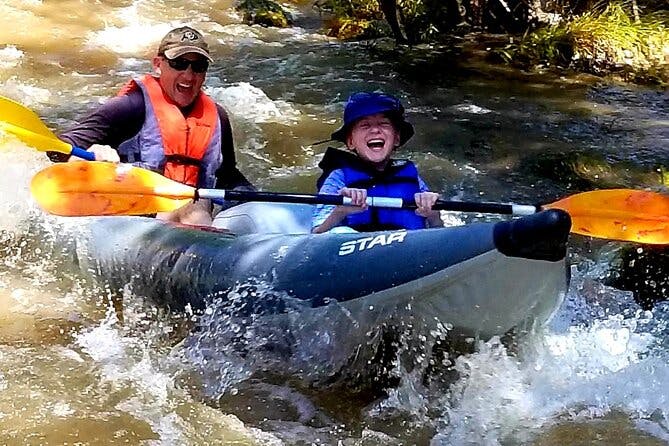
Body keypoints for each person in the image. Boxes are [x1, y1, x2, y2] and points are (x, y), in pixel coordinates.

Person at [47, 26, 254, 225]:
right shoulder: (130, 107)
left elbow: (226, 176)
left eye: (198, 67)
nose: (189, 76)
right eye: (179, 64)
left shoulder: (218, 117)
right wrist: (91, 154)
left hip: (193, 223)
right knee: (189, 208)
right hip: (134, 220)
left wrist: (253, 199)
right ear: (158, 64)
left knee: (195, 206)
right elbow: (57, 149)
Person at [312, 92, 443, 233]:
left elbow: (438, 232)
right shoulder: (338, 178)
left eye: (383, 123)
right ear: (350, 142)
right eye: (365, 125)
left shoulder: (412, 178)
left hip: (407, 248)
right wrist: (340, 211)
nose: (375, 130)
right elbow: (316, 234)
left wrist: (433, 215)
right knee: (340, 232)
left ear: (396, 139)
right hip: (356, 248)